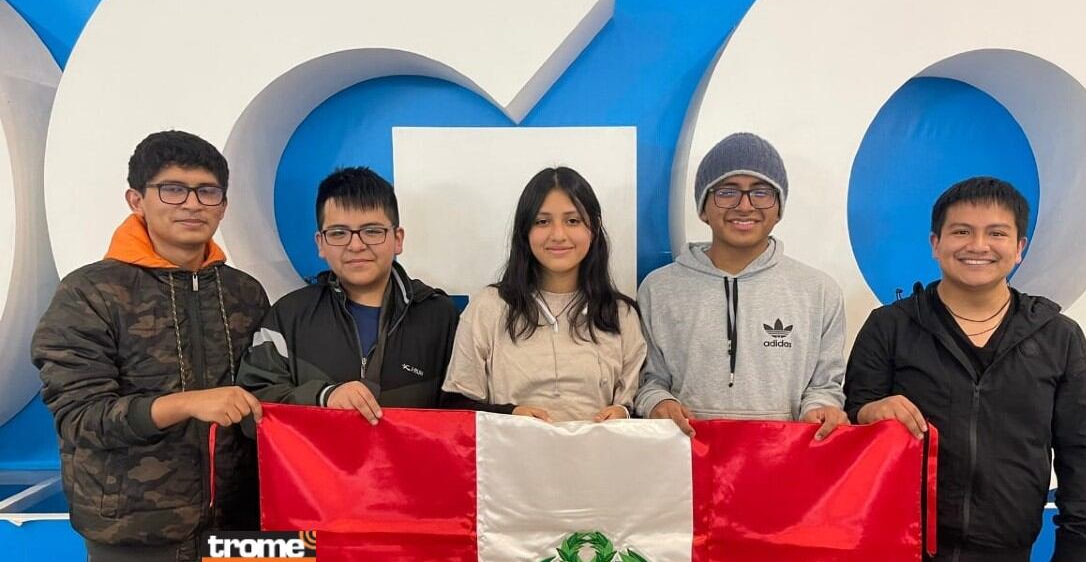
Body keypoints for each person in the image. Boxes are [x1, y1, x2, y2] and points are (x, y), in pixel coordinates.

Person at [843, 176, 1086, 562]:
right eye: (961, 231)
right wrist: (867, 411)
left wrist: (1074, 553)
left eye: (996, 233)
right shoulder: (890, 329)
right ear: (935, 242)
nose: (977, 245)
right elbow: (853, 414)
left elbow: (1082, 448)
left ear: (1021, 246)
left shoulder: (1058, 337)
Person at [31, 130, 270, 562]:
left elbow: (272, 396)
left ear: (223, 202)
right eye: (173, 189)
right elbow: (80, 417)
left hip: (229, 538)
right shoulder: (88, 292)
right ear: (137, 199)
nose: (192, 204)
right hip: (133, 539)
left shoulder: (243, 294)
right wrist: (184, 404)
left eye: (207, 191)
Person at [238, 166, 509, 420]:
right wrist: (323, 397)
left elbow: (461, 411)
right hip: (314, 472)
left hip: (410, 471)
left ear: (398, 239)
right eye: (339, 233)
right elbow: (251, 408)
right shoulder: (289, 315)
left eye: (371, 231)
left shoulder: (439, 316)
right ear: (320, 243)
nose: (356, 245)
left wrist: (512, 415)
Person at [633, 132, 847, 437]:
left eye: (761, 192)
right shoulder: (658, 289)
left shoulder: (819, 291)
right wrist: (659, 402)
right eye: (727, 191)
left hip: (784, 461)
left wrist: (821, 407)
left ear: (779, 207)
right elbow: (647, 380)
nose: (745, 206)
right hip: (689, 459)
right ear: (703, 208)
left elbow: (825, 386)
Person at [442, 166, 645, 422]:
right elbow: (455, 406)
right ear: (525, 232)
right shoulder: (489, 307)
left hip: (597, 459)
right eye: (542, 221)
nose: (558, 235)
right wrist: (510, 414)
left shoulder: (620, 314)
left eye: (573, 221)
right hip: (511, 458)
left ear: (593, 230)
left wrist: (623, 413)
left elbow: (641, 406)